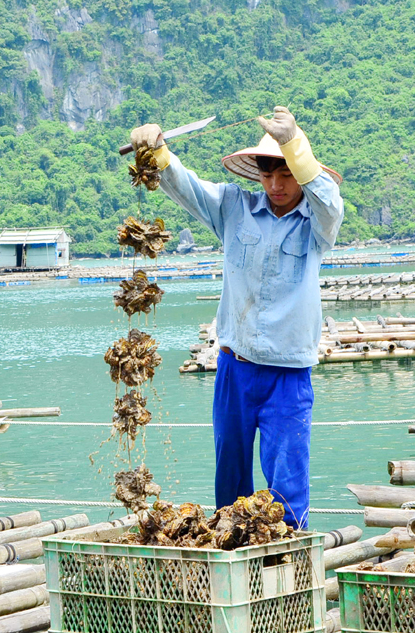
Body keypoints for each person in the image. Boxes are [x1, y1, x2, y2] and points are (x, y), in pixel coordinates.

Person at [130, 106, 343, 529]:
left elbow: (330, 202)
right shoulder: (233, 208)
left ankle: (286, 561)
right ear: (257, 176)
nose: (276, 185)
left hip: (289, 374)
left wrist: (293, 143)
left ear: (299, 175)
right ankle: (231, 553)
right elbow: (187, 188)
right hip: (235, 366)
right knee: (230, 474)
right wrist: (158, 152)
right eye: (268, 175)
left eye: (286, 175)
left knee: (287, 480)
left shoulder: (317, 225)